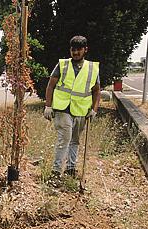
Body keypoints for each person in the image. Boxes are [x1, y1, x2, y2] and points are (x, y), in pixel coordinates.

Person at [43, 36, 101, 179]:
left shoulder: (92, 68)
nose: (75, 53)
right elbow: (51, 85)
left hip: (81, 110)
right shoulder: (62, 65)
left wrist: (94, 109)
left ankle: (70, 168)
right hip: (62, 109)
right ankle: (56, 171)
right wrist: (48, 106)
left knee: (75, 140)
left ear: (85, 50)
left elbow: (96, 91)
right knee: (65, 138)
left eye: (78, 50)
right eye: (73, 49)